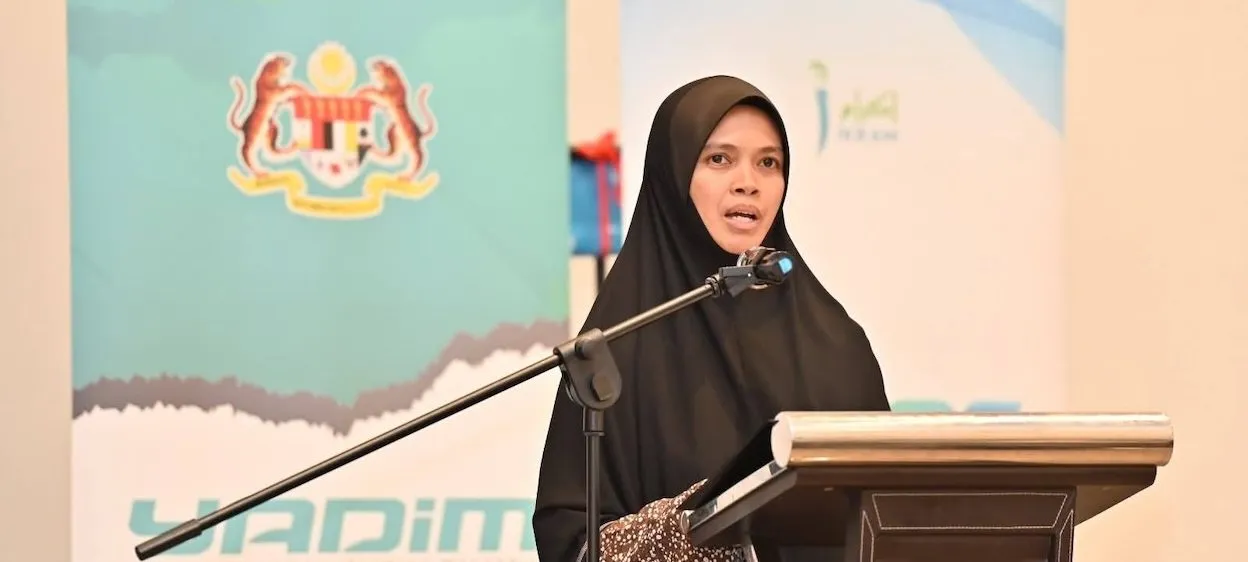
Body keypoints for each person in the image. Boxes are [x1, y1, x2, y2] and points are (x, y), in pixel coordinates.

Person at [532, 75, 892, 562]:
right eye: (720, 159)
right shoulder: (614, 353)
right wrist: (691, 530)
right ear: (674, 177)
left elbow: (887, 514)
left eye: (768, 162)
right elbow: (572, 541)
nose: (748, 182)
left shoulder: (838, 345)